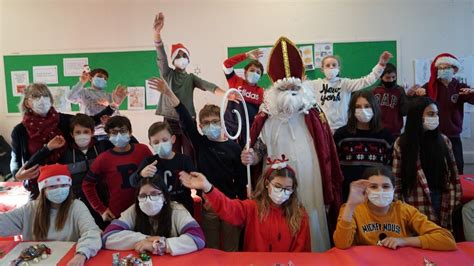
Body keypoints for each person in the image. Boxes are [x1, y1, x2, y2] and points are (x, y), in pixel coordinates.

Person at [242, 37, 343, 252]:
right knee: (281, 224)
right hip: (279, 183)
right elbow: (260, 147)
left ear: (302, 85)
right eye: (284, 88)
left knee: (311, 215)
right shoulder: (267, 116)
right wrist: (253, 157)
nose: (290, 92)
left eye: (294, 87)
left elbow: (327, 150)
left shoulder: (313, 113)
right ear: (274, 90)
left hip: (310, 179)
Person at [148, 77, 246, 252]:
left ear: (222, 122)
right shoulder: (200, 143)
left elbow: (240, 178)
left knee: (232, 248)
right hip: (209, 204)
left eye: (215, 121)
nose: (211, 125)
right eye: (206, 123)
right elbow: (185, 117)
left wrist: (240, 200)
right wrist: (169, 93)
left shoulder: (234, 147)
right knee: (210, 248)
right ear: (200, 126)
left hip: (230, 202)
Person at [10, 83, 121, 199]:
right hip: (38, 185)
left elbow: (89, 121)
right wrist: (17, 175)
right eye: (36, 97)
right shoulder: (20, 131)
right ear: (27, 103)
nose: (42, 100)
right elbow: (15, 161)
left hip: (64, 182)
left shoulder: (61, 120)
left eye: (45, 96)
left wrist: (113, 106)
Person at [180, 156, 311, 252]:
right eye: (278, 186)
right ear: (267, 184)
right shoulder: (252, 207)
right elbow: (228, 208)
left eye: (287, 188)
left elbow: (302, 251)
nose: (282, 192)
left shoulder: (299, 215)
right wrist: (208, 188)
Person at [152, 12, 225, 158]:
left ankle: (192, 178)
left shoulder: (191, 78)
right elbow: (161, 56)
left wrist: (227, 94)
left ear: (189, 59)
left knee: (191, 153)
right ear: (173, 60)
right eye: (178, 56)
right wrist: (157, 34)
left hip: (188, 119)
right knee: (174, 153)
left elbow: (208, 85)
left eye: (184, 55)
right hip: (170, 119)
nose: (181, 58)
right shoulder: (168, 74)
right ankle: (178, 179)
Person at [333, 166, 457, 251]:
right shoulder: (351, 209)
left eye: (386, 186)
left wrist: (403, 241)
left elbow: (447, 239)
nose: (380, 191)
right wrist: (350, 205)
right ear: (365, 190)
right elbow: (341, 244)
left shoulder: (404, 210)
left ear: (393, 190)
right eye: (374, 187)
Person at [0, 164, 102, 266]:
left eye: (64, 185)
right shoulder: (30, 209)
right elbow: (4, 223)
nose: (59, 190)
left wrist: (81, 254)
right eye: (53, 186)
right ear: (43, 189)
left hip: (65, 260)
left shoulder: (76, 207)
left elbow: (92, 232)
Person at [26, 114, 112, 229]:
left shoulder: (103, 147)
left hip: (103, 204)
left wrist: (111, 129)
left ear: (92, 132)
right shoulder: (64, 152)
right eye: (78, 132)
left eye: (86, 131)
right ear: (72, 134)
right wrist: (48, 148)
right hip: (76, 205)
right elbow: (32, 164)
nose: (82, 135)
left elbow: (130, 145)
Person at [392, 97, 461, 230]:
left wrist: (456, 201)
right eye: (430, 114)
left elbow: (454, 175)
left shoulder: (444, 141)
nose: (435, 117)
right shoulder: (402, 143)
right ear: (418, 116)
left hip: (442, 198)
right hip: (414, 200)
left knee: (440, 237)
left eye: (436, 114)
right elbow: (397, 181)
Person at [102, 176, 204, 256]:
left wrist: (160, 245)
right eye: (143, 196)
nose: (148, 200)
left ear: (164, 196)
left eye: (154, 194)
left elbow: (197, 238)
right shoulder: (134, 210)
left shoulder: (177, 210)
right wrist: (148, 240)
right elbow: (108, 236)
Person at [408, 53, 474, 174]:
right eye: (441, 68)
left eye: (447, 68)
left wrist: (472, 93)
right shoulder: (430, 86)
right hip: (433, 134)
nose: (443, 70)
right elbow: (415, 106)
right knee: (433, 168)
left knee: (457, 168)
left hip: (454, 136)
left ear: (454, 70)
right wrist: (415, 93)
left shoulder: (460, 87)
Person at [82, 116, 152, 224]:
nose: (119, 135)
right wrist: (101, 210)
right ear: (108, 135)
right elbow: (87, 184)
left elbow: (156, 175)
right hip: (118, 214)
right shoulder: (103, 158)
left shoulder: (143, 150)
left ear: (130, 132)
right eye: (114, 132)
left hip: (145, 210)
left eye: (123, 131)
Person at [308, 51, 392, 132]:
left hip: (343, 126)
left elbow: (366, 81)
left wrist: (380, 65)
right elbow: (299, 87)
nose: (331, 67)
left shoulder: (345, 83)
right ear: (322, 69)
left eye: (334, 65)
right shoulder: (316, 84)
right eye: (327, 65)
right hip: (323, 127)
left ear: (338, 68)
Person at [334, 91, 394, 201]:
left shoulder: (386, 136)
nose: (363, 110)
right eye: (358, 107)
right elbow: (335, 167)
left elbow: (390, 167)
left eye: (367, 106)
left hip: (377, 195)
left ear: (374, 108)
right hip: (348, 194)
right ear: (352, 110)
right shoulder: (341, 135)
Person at [129, 121, 195, 214]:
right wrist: (141, 174)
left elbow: (197, 180)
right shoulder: (149, 161)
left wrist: (191, 180)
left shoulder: (184, 160)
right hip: (159, 210)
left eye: (165, 140)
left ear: (173, 139)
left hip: (183, 207)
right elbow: (132, 182)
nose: (161, 144)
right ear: (150, 144)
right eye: (156, 142)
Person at [66, 67, 127, 140]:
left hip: (106, 133)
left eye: (105, 79)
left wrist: (109, 105)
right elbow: (69, 97)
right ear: (91, 78)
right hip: (89, 133)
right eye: (100, 76)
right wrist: (81, 82)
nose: (103, 79)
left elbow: (116, 116)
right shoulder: (84, 92)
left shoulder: (109, 96)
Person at [223, 49, 265, 148]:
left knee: (246, 157)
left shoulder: (261, 92)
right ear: (245, 72)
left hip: (248, 130)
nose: (255, 73)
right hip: (230, 126)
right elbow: (226, 64)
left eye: (258, 72)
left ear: (260, 77)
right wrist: (246, 55)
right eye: (252, 70)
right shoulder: (235, 81)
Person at [372, 63, 409, 137]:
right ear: (381, 77)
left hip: (395, 132)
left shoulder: (399, 90)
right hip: (377, 130)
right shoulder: (374, 91)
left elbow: (404, 111)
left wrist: (408, 97)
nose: (391, 80)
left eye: (393, 77)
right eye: (387, 77)